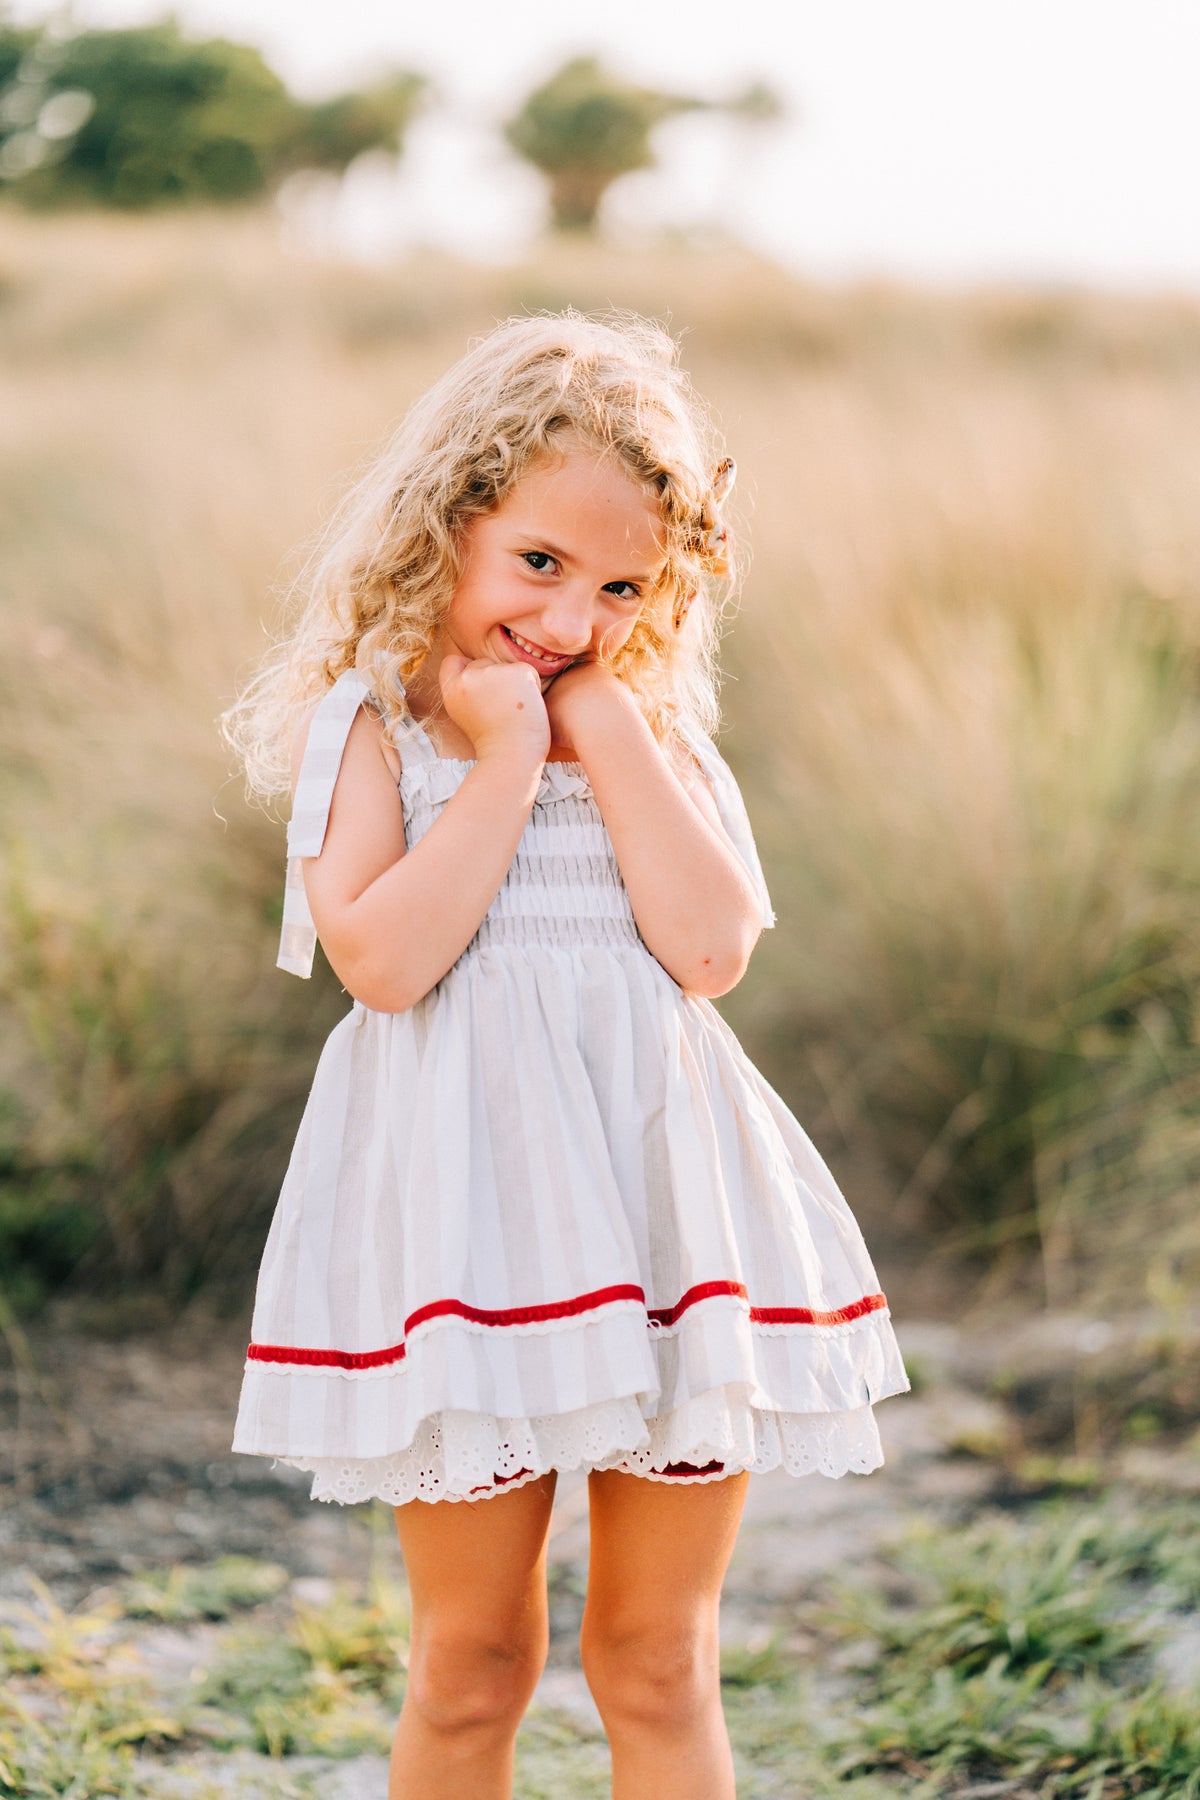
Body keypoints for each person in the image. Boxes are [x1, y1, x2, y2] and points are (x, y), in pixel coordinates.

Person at [224, 311, 908, 1800]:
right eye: (539, 564)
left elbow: (712, 951)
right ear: (450, 524)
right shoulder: (374, 730)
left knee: (655, 1662)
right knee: (475, 1670)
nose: (568, 616)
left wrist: (596, 722)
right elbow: (386, 962)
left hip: (662, 1217)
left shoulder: (641, 724)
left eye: (619, 588)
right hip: (463, 1228)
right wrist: (511, 764)